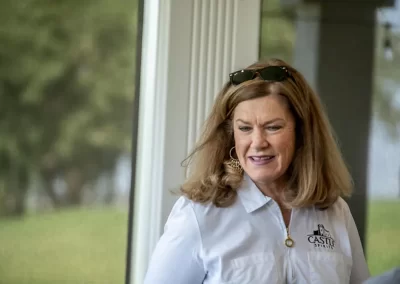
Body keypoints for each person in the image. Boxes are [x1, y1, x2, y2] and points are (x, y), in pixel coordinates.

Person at [143, 58, 370, 283]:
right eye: (244, 128)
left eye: (273, 127)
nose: (258, 142)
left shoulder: (335, 211)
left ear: (302, 131)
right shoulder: (198, 214)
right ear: (231, 134)